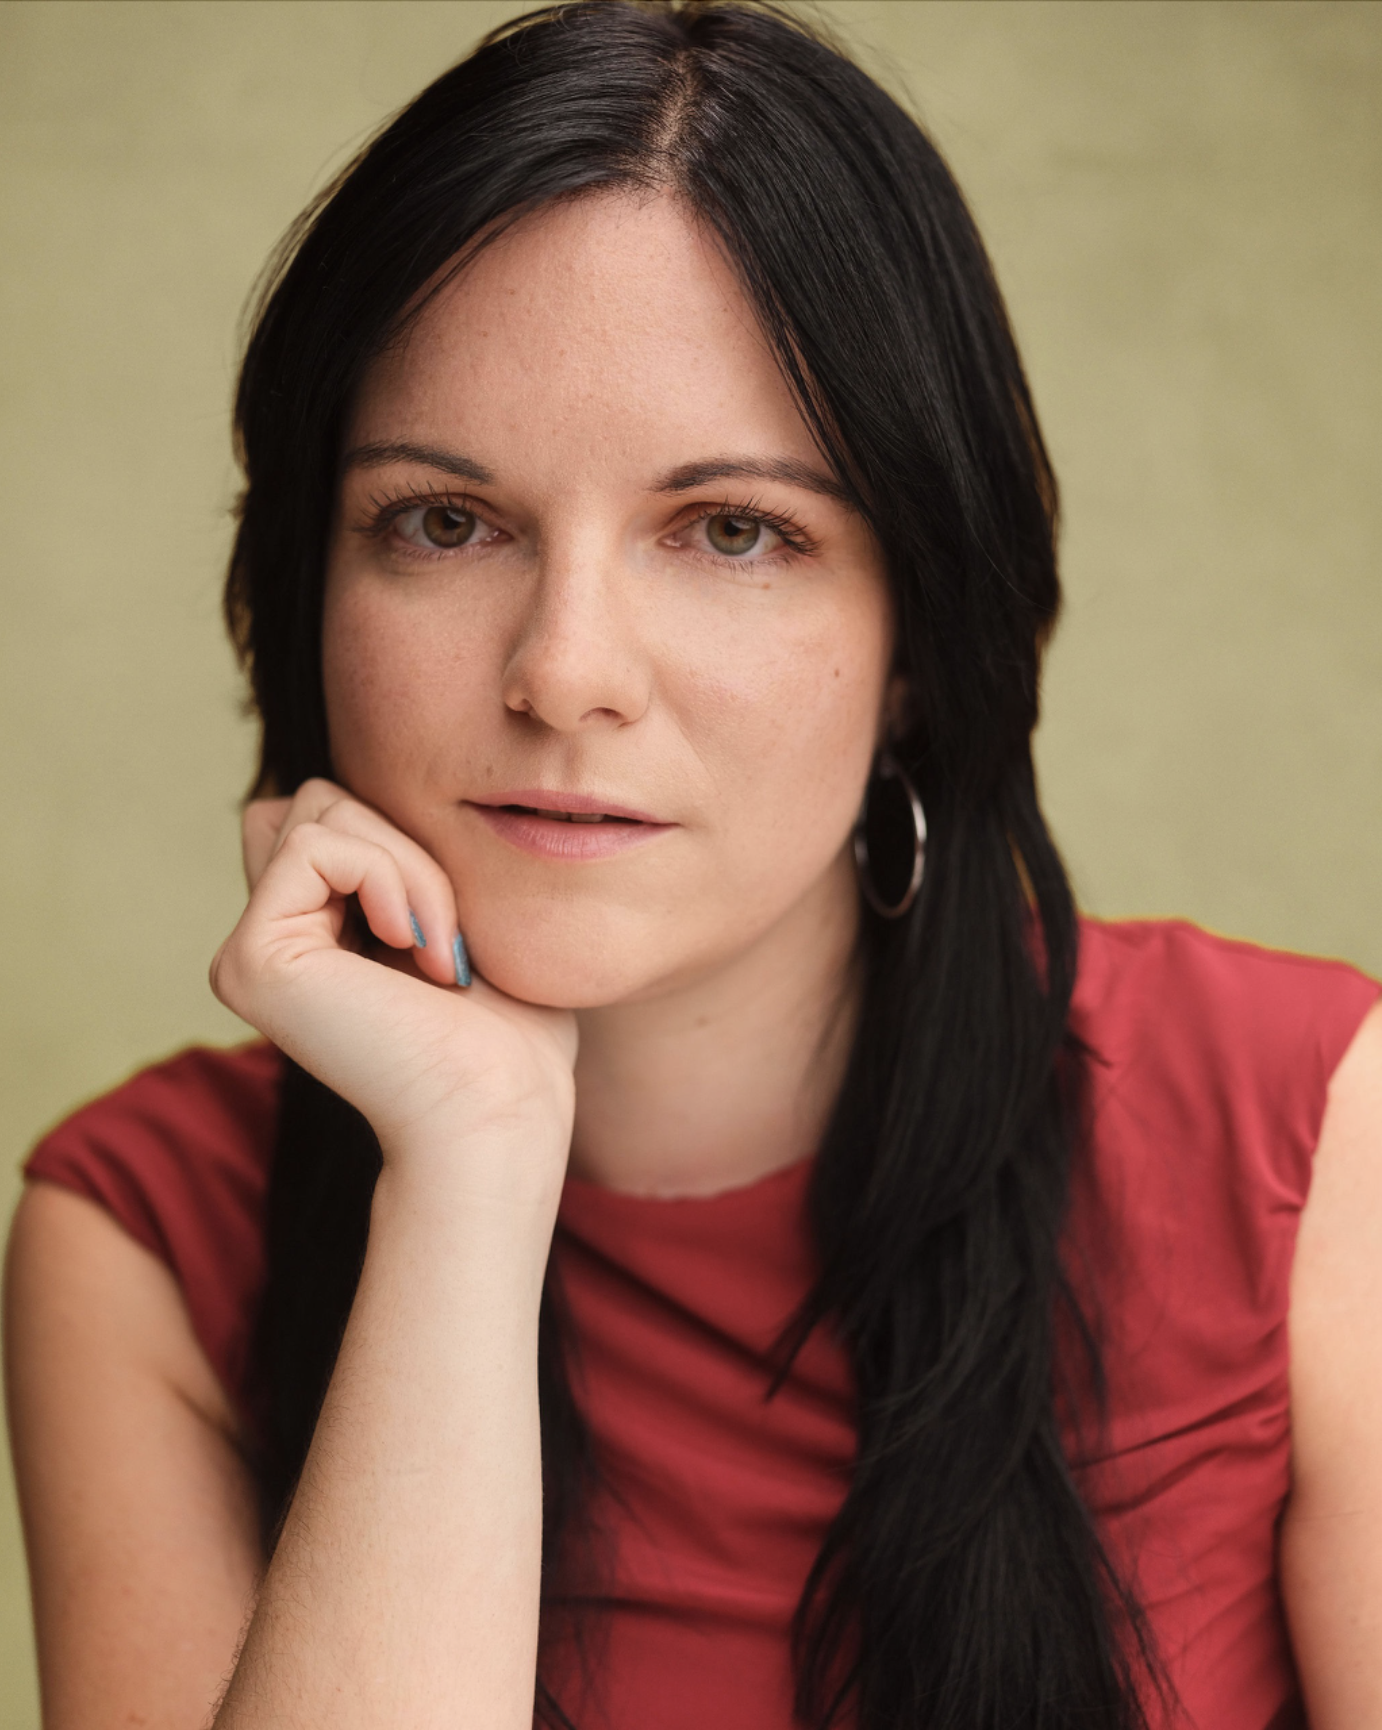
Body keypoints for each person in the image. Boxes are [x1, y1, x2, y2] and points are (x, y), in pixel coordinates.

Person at [5, 3, 1381, 1727]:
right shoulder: (140, 1234)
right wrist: (466, 1173)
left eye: (734, 530)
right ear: (307, 599)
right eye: (444, 520)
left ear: (914, 640)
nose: (565, 667)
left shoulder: (1305, 1133)